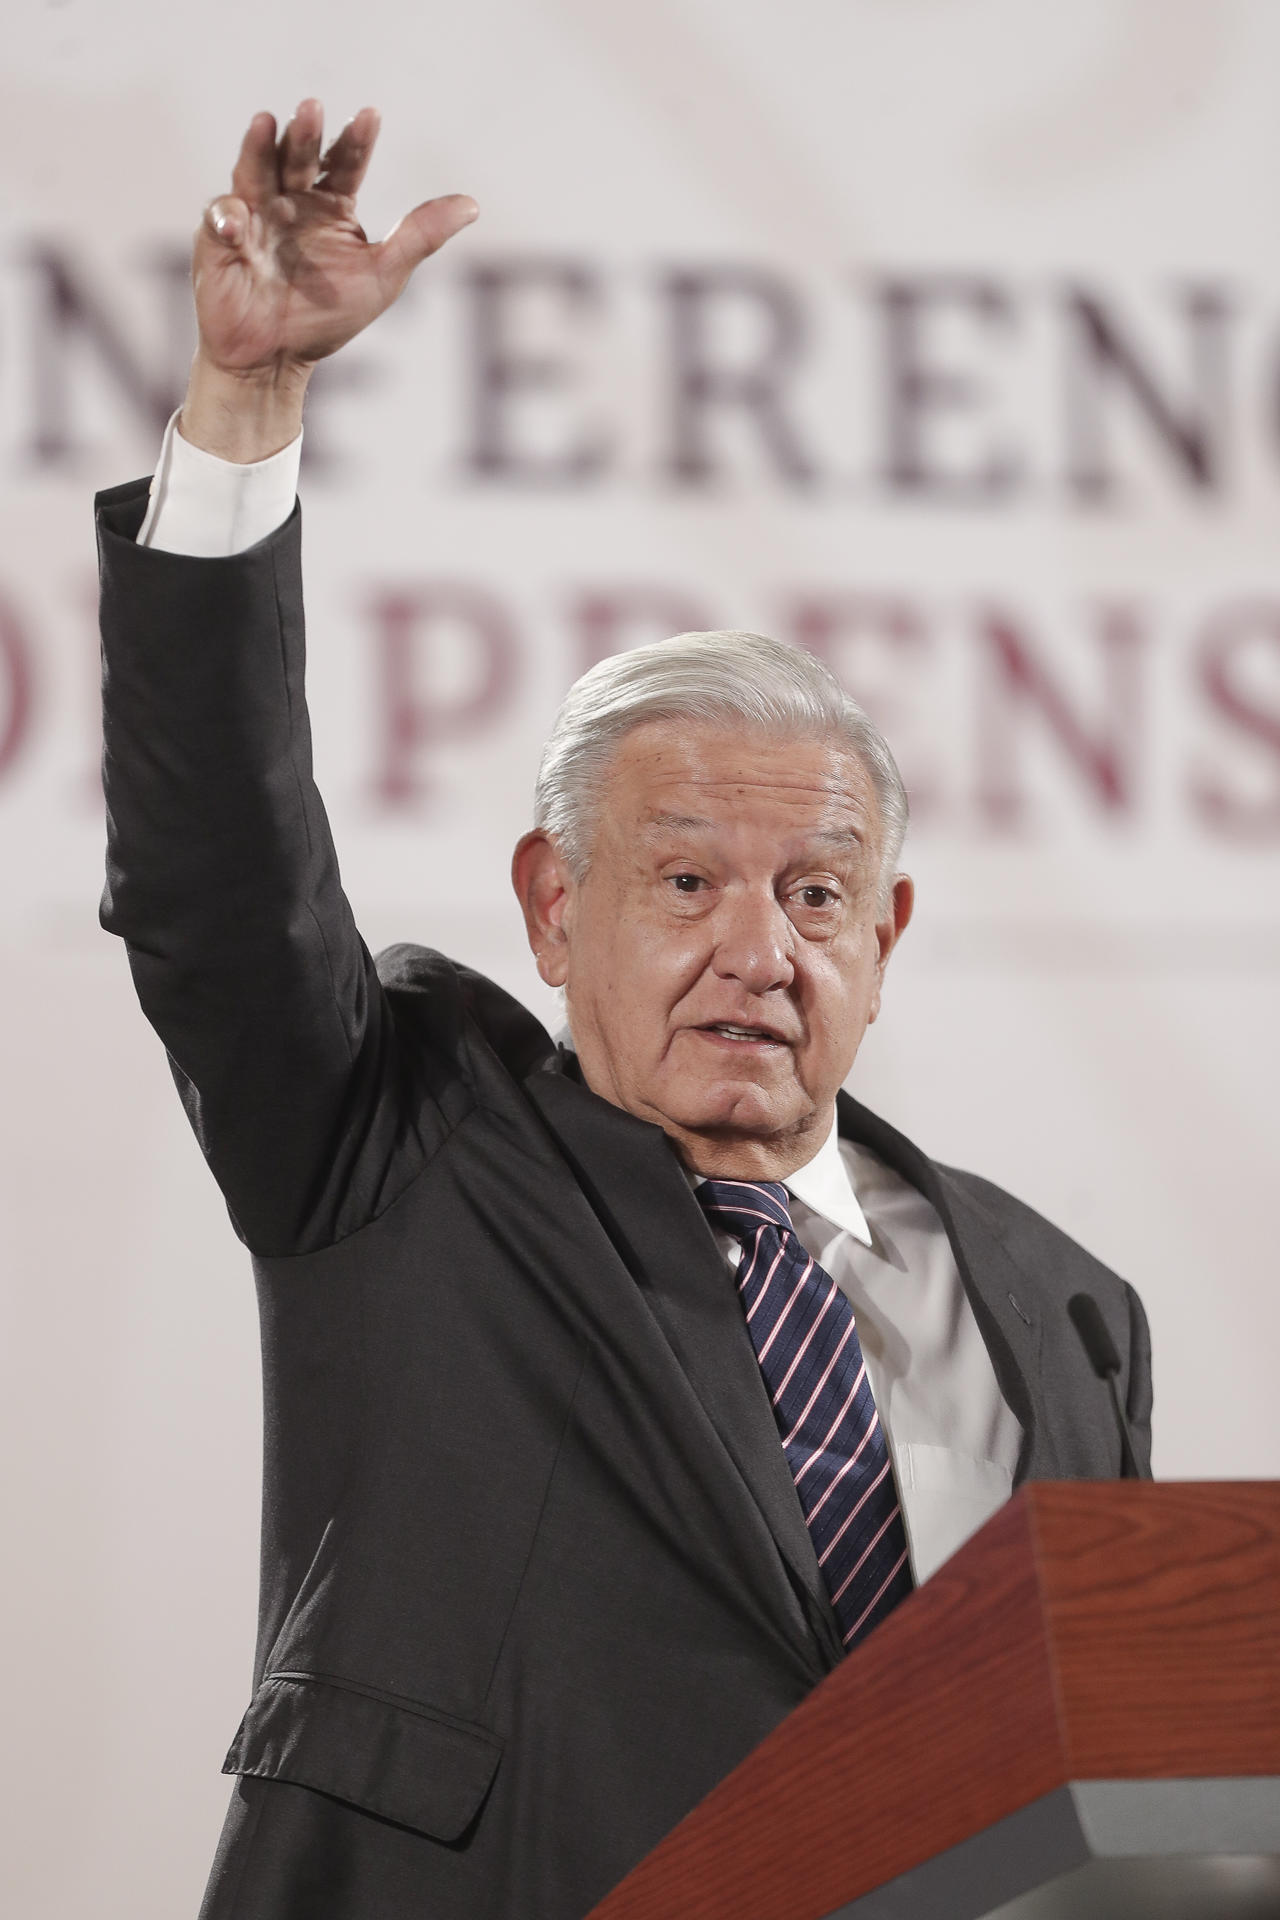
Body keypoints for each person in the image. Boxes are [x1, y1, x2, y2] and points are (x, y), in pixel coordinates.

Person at [96, 102, 1151, 1920]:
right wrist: (246, 413)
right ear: (550, 907)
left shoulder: (1070, 1310)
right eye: (684, 883)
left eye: (816, 896)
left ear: (884, 936)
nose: (762, 949)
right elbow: (217, 883)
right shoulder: (401, 1143)